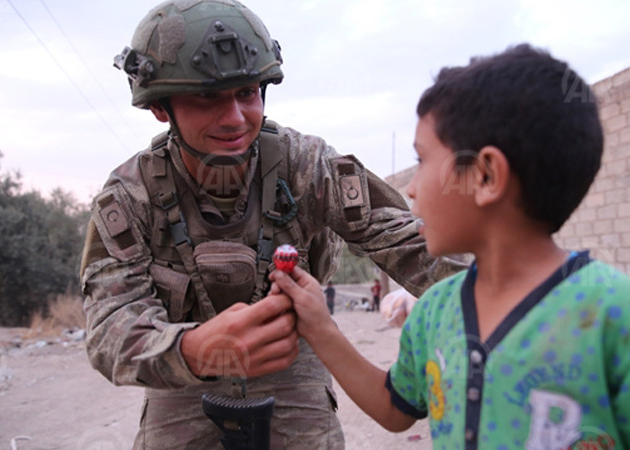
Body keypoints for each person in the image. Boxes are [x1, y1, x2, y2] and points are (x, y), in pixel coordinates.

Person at [271, 44, 630, 448]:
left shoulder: (622, 319)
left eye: (422, 160)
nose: (410, 190)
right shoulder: (435, 311)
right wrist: (321, 326)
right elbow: (396, 408)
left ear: (485, 175)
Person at [78, 1, 465, 448]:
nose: (235, 118)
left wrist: (512, 298)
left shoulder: (306, 165)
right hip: (182, 370)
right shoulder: (131, 195)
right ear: (160, 109)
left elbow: (413, 244)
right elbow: (109, 328)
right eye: (207, 97)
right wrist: (196, 349)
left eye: (247, 92)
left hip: (290, 358)